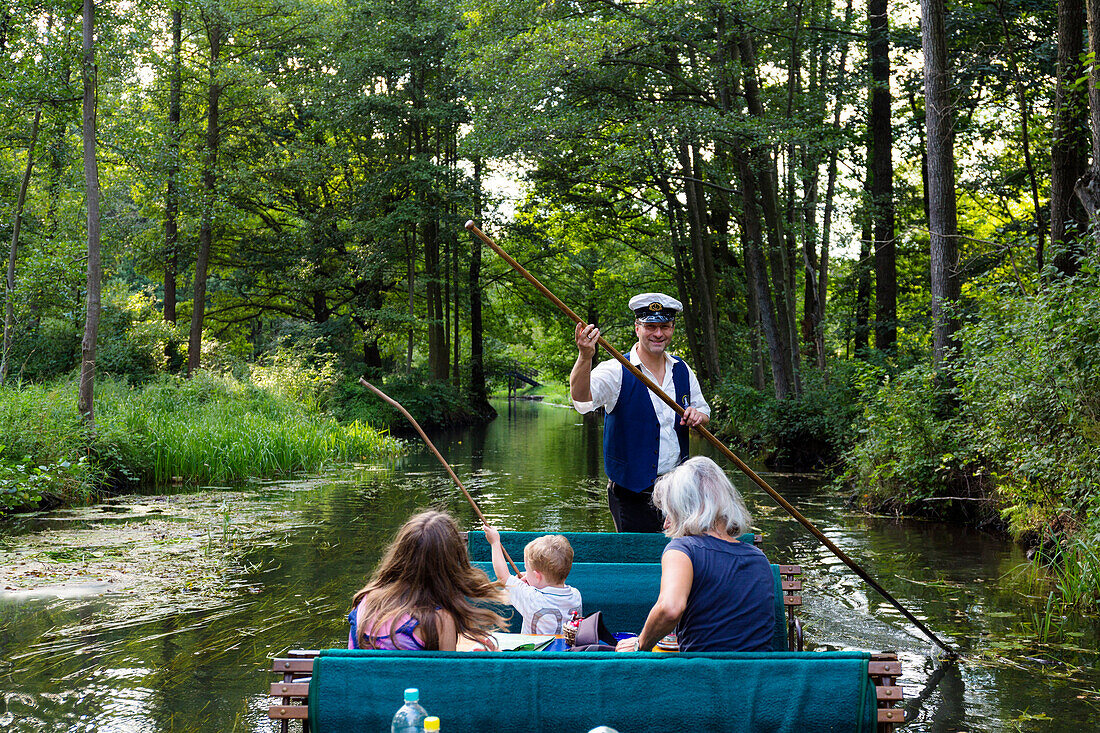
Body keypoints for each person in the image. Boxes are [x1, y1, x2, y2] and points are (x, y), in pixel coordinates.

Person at [570, 292, 711, 532]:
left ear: (672, 328)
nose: (658, 334)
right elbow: (581, 398)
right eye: (651, 326)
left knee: (678, 555)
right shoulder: (616, 370)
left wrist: (699, 416)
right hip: (630, 491)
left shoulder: (683, 370)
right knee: (636, 559)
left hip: (679, 489)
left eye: (665, 327)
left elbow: (703, 410)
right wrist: (585, 356)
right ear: (637, 328)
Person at [614, 456, 774, 653]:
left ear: (684, 508)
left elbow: (670, 609)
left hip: (705, 677)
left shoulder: (682, 550)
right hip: (759, 677)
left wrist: (640, 644)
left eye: (669, 512)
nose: (665, 525)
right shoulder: (759, 558)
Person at [348, 510, 506, 651]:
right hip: (411, 685)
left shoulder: (366, 600)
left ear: (399, 554)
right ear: (449, 565)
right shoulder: (441, 620)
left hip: (364, 684)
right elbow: (449, 679)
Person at [482, 523, 583, 635]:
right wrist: (533, 582)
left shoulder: (532, 597)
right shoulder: (575, 596)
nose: (524, 573)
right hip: (567, 651)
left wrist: (495, 543)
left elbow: (503, 577)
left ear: (537, 576)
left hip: (533, 653)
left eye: (527, 570)